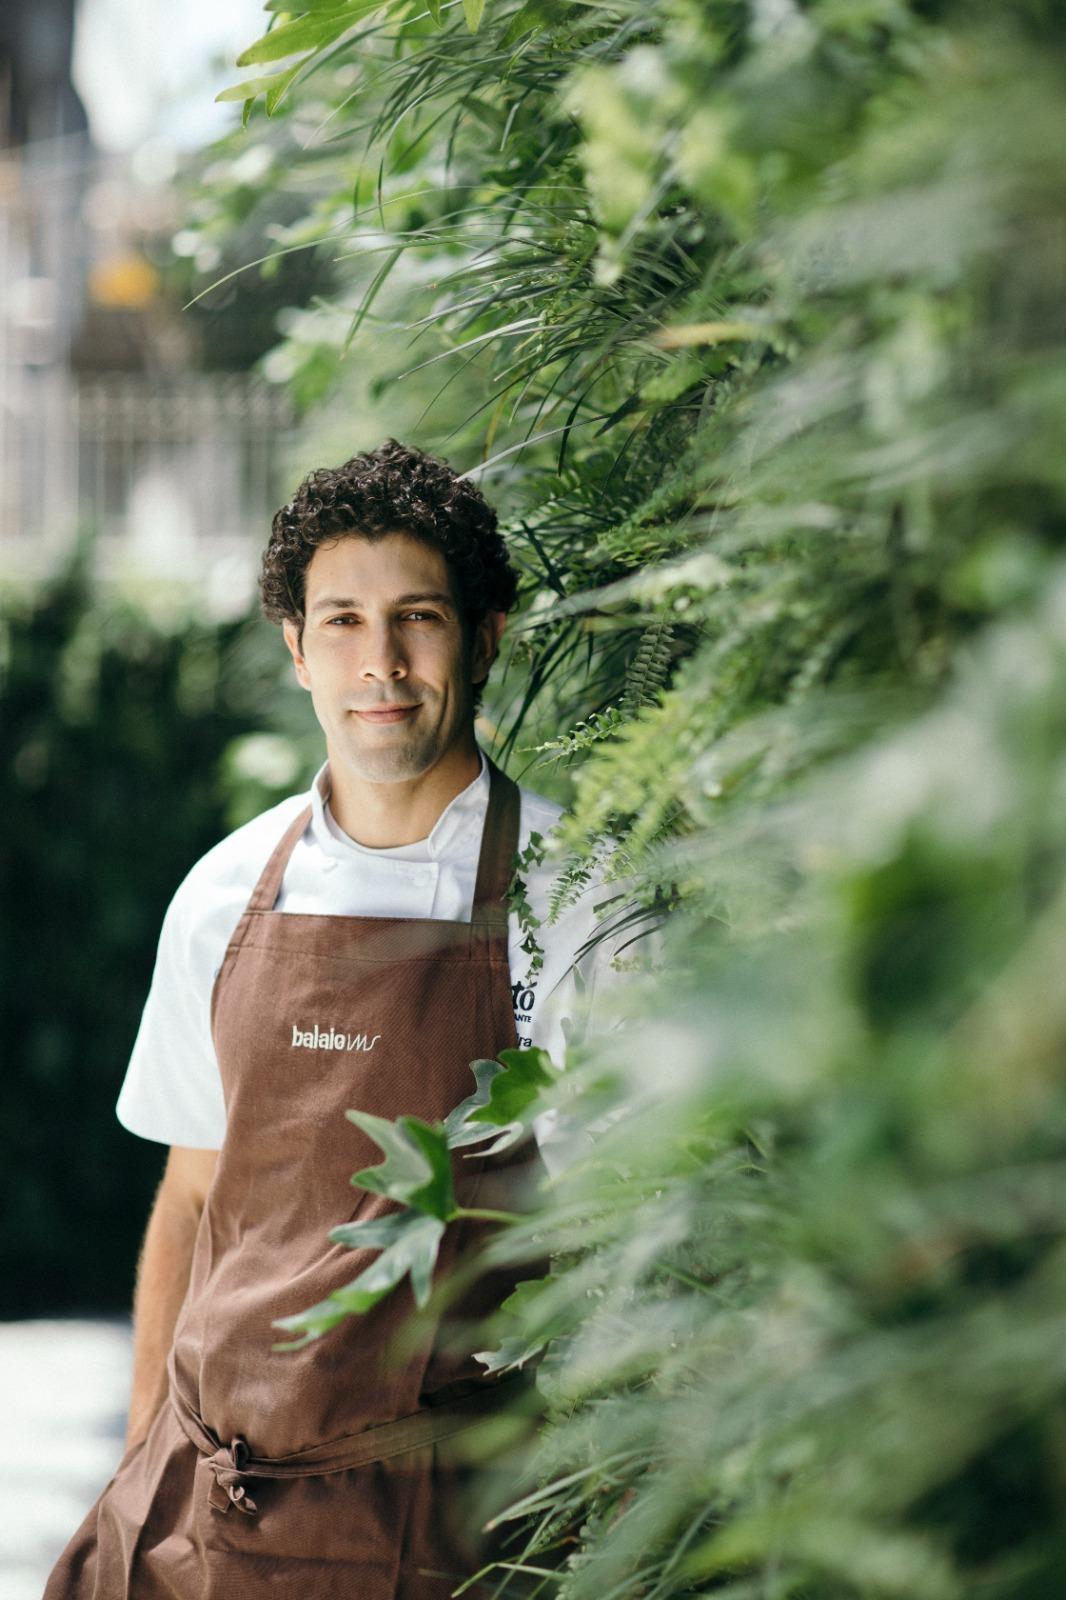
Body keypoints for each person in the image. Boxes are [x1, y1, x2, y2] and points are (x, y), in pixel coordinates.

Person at [44, 439, 645, 1599]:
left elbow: (631, 1244)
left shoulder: (578, 895)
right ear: (296, 647)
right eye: (342, 623)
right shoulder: (223, 893)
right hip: (210, 1525)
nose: (382, 664)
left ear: (484, 635)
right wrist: (136, 1472)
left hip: (454, 1537)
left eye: (417, 617)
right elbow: (192, 1197)